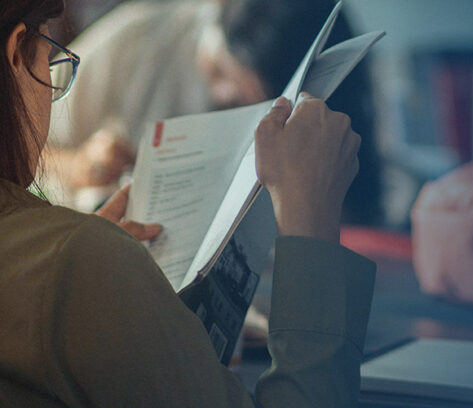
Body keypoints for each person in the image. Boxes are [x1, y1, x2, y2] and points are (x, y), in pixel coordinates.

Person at [0, 1, 376, 407]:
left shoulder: (66, 260)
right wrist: (311, 228)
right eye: (51, 63)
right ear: (16, 52)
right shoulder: (78, 262)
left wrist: (95, 264)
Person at [44, 0, 382, 224]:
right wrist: (76, 166)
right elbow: (21, 141)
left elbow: (358, 210)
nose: (222, 95)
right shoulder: (137, 42)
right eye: (219, 70)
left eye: (253, 107)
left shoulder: (325, 112)